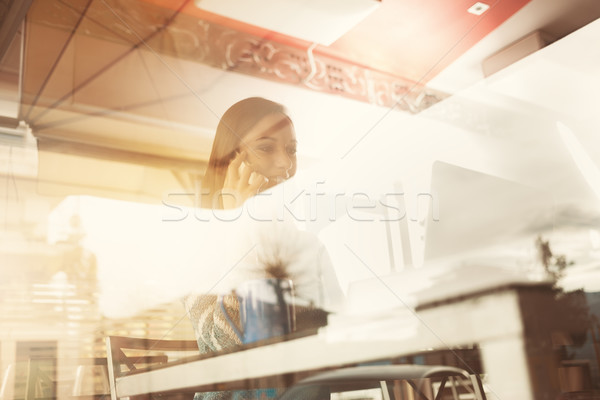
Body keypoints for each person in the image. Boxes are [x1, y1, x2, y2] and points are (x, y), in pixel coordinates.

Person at [183, 97, 344, 400]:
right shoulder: (202, 245)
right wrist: (240, 226)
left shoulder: (307, 246)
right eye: (266, 147)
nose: (285, 162)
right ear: (230, 162)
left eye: (291, 149)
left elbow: (337, 339)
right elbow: (227, 350)